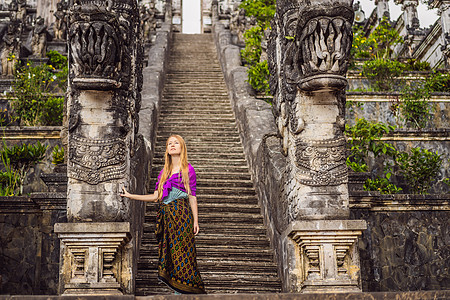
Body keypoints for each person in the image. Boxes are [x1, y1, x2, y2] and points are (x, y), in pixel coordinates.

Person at [121, 135, 206, 294]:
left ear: (182, 147)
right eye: (169, 144)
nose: (172, 145)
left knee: (185, 253)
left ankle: (189, 291)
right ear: (167, 149)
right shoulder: (163, 173)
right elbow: (155, 197)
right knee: (171, 255)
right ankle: (177, 291)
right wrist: (130, 195)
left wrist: (196, 221)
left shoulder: (188, 169)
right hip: (166, 217)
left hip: (182, 215)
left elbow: (192, 196)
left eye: (176, 143)